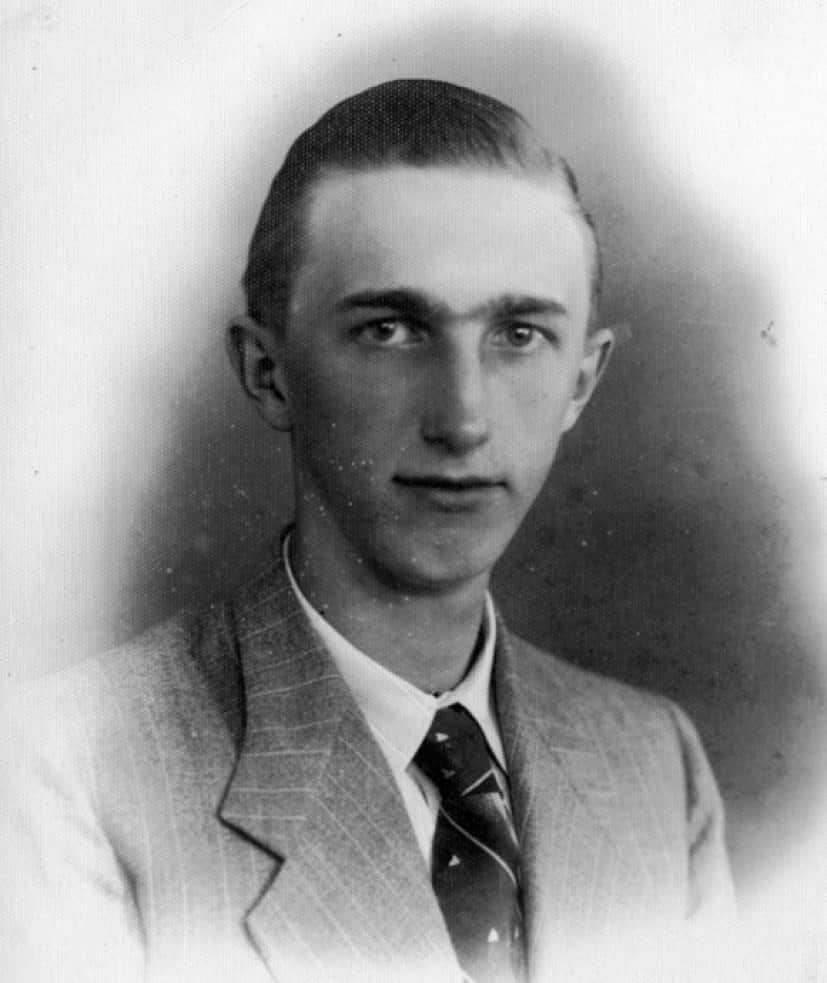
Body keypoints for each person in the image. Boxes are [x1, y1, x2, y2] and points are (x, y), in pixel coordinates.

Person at [1, 79, 735, 983]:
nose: (462, 419)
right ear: (267, 373)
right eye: (390, 329)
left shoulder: (657, 766)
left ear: (580, 382)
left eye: (517, 334)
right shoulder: (60, 774)